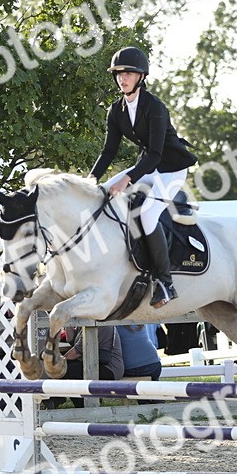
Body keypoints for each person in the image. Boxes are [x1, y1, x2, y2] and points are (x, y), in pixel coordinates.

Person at [87, 46, 198, 308]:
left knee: (147, 215)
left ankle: (165, 282)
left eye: (128, 73)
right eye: (118, 74)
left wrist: (127, 179)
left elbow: (156, 154)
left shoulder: (154, 107)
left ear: (141, 76)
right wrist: (90, 180)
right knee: (100, 194)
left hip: (171, 169)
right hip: (148, 167)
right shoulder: (116, 110)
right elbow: (108, 151)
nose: (122, 78)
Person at [43, 326, 124, 409]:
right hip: (91, 364)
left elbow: (77, 351)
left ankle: (81, 406)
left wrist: (59, 362)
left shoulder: (100, 324)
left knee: (67, 370)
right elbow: (71, 340)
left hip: (109, 368)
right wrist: (68, 323)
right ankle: (55, 399)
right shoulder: (84, 322)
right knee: (68, 369)